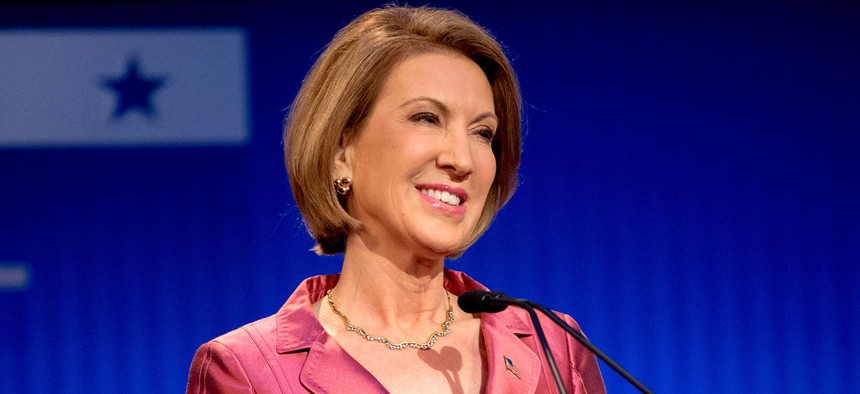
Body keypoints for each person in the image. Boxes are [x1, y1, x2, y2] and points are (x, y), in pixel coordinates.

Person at [187, 5, 606, 393]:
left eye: (483, 133)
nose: (461, 160)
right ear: (340, 152)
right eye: (427, 118)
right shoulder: (248, 371)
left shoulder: (554, 347)